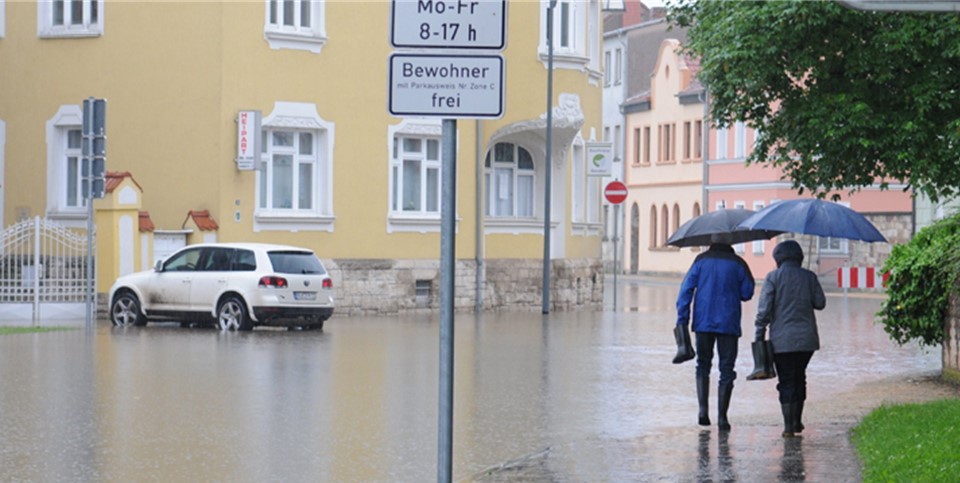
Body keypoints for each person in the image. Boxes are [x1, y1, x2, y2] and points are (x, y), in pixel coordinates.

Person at [676, 237, 755, 430]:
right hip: (728, 323)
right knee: (726, 369)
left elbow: (685, 291)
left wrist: (682, 319)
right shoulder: (738, 263)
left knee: (703, 365)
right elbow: (747, 292)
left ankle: (703, 410)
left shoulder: (701, 261)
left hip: (703, 322)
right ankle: (722, 417)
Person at [753, 240, 826, 438]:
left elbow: (764, 310)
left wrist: (759, 334)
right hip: (806, 341)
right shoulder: (809, 277)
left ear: (778, 258)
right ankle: (797, 420)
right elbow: (820, 303)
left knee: (786, 380)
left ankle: (788, 425)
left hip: (781, 341)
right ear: (800, 257)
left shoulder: (772, 278)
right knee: (799, 377)